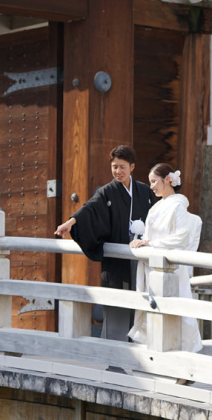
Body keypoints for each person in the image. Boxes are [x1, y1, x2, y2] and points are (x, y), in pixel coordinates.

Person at [54, 145, 155, 341]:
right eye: (114, 167)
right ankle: (114, 361)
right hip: (117, 261)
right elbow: (89, 208)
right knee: (116, 308)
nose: (118, 171)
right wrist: (70, 222)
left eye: (122, 167)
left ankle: (141, 356)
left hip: (141, 261)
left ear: (132, 167)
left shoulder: (144, 191)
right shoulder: (107, 192)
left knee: (143, 307)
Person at [128, 163, 202, 355]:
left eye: (154, 181)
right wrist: (142, 242)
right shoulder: (157, 207)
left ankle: (184, 357)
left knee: (177, 312)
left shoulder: (178, 205)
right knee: (154, 311)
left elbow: (182, 236)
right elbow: (149, 235)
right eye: (150, 182)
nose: (151, 186)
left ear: (167, 179)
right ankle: (156, 357)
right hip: (153, 265)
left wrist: (151, 243)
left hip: (172, 268)